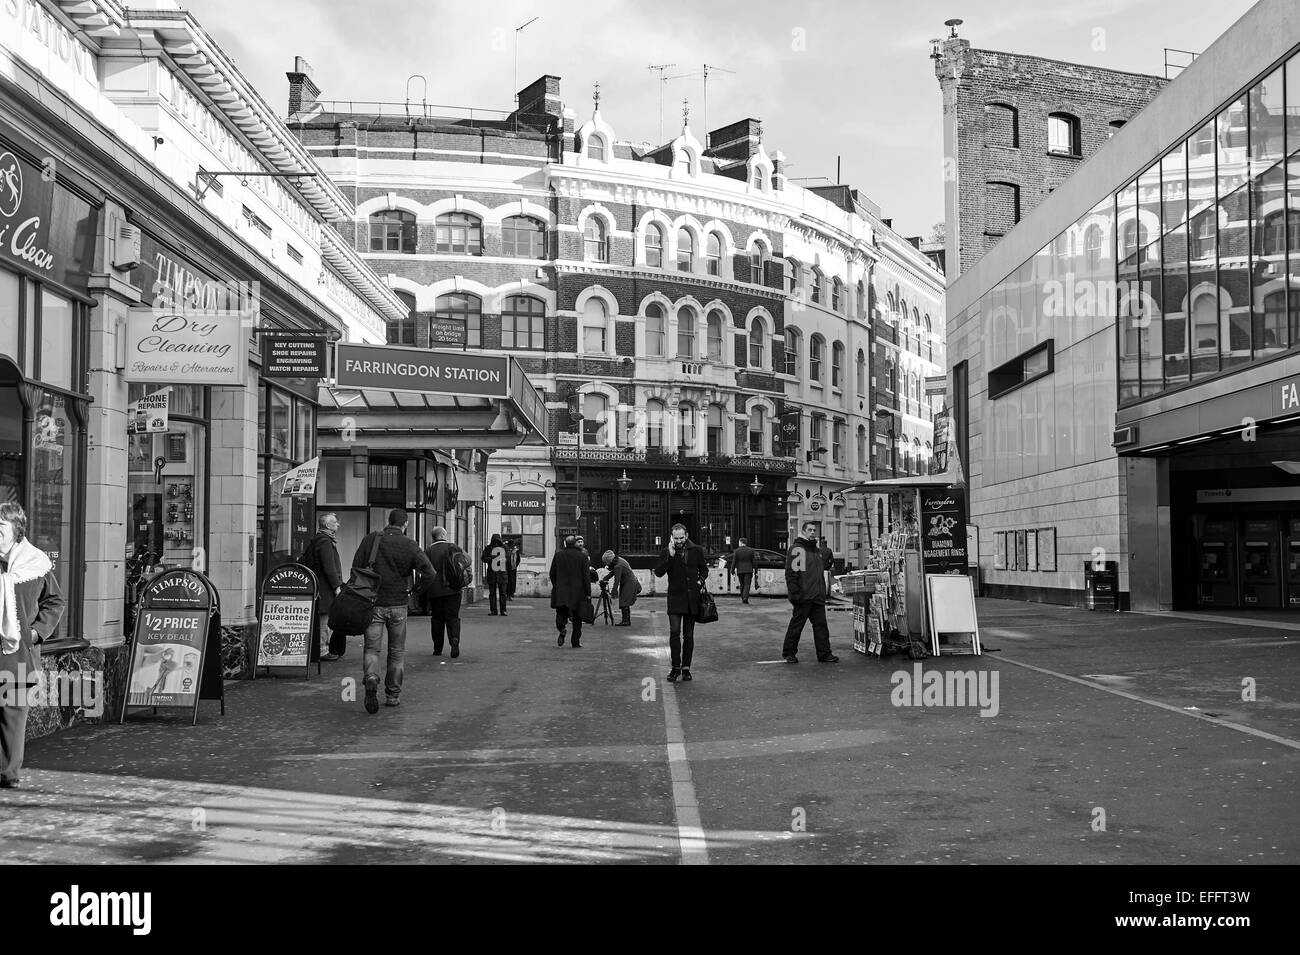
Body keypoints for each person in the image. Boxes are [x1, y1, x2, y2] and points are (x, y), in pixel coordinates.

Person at [0, 503, 66, 789]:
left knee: (12, 716)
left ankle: (7, 773)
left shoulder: (36, 563)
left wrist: (36, 633)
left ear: (17, 531)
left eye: (0, 529)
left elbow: (55, 602)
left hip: (18, 654)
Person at [352, 508, 435, 714]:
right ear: (405, 524)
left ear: (388, 521)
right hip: (398, 604)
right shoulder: (410, 545)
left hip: (373, 603)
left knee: (372, 649)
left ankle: (371, 677)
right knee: (396, 652)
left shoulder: (371, 540)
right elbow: (430, 572)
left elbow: (356, 567)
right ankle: (392, 695)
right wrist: (416, 590)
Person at [653, 524, 708, 683]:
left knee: (688, 635)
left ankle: (686, 668)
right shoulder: (667, 551)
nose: (678, 541)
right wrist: (670, 556)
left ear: (686, 535)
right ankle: (675, 667)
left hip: (692, 599)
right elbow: (659, 572)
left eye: (681, 538)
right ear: (671, 537)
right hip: (675, 598)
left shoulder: (696, 550)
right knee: (674, 632)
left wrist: (699, 582)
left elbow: (704, 570)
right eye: (676, 538)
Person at [783, 522, 839, 664]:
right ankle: (789, 653)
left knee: (821, 626)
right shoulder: (798, 549)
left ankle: (825, 654)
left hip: (816, 596)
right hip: (804, 596)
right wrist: (795, 594)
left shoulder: (815, 550)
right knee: (797, 626)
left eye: (814, 530)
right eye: (810, 530)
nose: (813, 532)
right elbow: (792, 574)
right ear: (803, 531)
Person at [302, 512, 345, 661]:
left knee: (324, 619)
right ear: (327, 525)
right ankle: (322, 650)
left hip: (320, 586)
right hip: (325, 587)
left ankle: (321, 648)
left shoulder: (318, 540)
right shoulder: (325, 541)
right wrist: (337, 586)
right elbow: (329, 567)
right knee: (324, 620)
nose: (338, 524)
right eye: (335, 522)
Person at [424, 526, 465, 658]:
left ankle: (437, 648)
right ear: (442, 535)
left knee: (437, 619)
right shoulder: (454, 547)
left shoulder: (429, 551)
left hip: (435, 590)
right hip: (454, 589)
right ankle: (454, 639)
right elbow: (466, 561)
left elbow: (424, 570)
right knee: (453, 617)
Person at [549, 535, 591, 648]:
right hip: (578, 592)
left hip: (561, 591)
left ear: (565, 543)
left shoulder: (558, 555)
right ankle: (575, 642)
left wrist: (556, 586)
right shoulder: (582, 557)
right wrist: (588, 593)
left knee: (561, 613)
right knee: (577, 618)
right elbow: (586, 577)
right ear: (575, 544)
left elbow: (552, 573)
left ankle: (562, 628)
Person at [600, 549, 641, 626]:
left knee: (624, 601)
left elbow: (617, 580)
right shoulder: (618, 560)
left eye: (607, 563)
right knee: (624, 601)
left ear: (609, 561)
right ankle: (626, 620)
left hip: (629, 583)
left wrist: (613, 592)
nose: (607, 565)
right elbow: (613, 572)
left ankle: (626, 621)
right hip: (629, 582)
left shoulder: (618, 566)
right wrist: (605, 578)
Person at [481, 533, 509, 616]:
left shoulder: (504, 548)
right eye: (494, 541)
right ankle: (494, 610)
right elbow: (483, 558)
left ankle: (503, 610)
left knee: (503, 593)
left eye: (497, 541)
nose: (496, 543)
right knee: (492, 593)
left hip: (502, 573)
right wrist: (492, 559)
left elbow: (507, 558)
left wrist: (498, 559)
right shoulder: (488, 548)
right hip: (492, 573)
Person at [733, 537, 756, 604]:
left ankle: (743, 597)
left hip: (740, 570)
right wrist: (756, 570)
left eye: (739, 542)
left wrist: (732, 570)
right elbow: (753, 561)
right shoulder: (751, 550)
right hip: (748, 570)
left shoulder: (736, 551)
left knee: (742, 584)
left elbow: (734, 561)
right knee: (747, 584)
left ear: (741, 542)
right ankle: (745, 597)